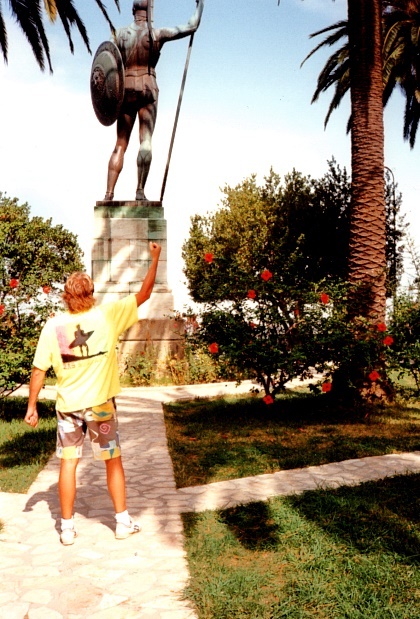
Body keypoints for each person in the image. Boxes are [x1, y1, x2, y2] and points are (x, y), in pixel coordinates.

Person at [24, 241, 162, 545]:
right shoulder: (107, 316)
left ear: (66, 297)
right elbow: (145, 294)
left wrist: (31, 405)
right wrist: (155, 258)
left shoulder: (53, 326)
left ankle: (68, 528)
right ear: (90, 295)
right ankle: (122, 521)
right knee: (112, 460)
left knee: (68, 463)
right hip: (100, 406)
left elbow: (38, 370)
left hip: (68, 408)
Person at [104, 0, 204, 201]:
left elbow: (109, 63)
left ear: (133, 10)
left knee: (120, 144)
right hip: (148, 88)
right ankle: (140, 191)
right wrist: (200, 4)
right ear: (149, 11)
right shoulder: (156, 34)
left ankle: (108, 194)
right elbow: (191, 26)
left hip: (126, 90)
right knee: (146, 141)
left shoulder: (119, 35)